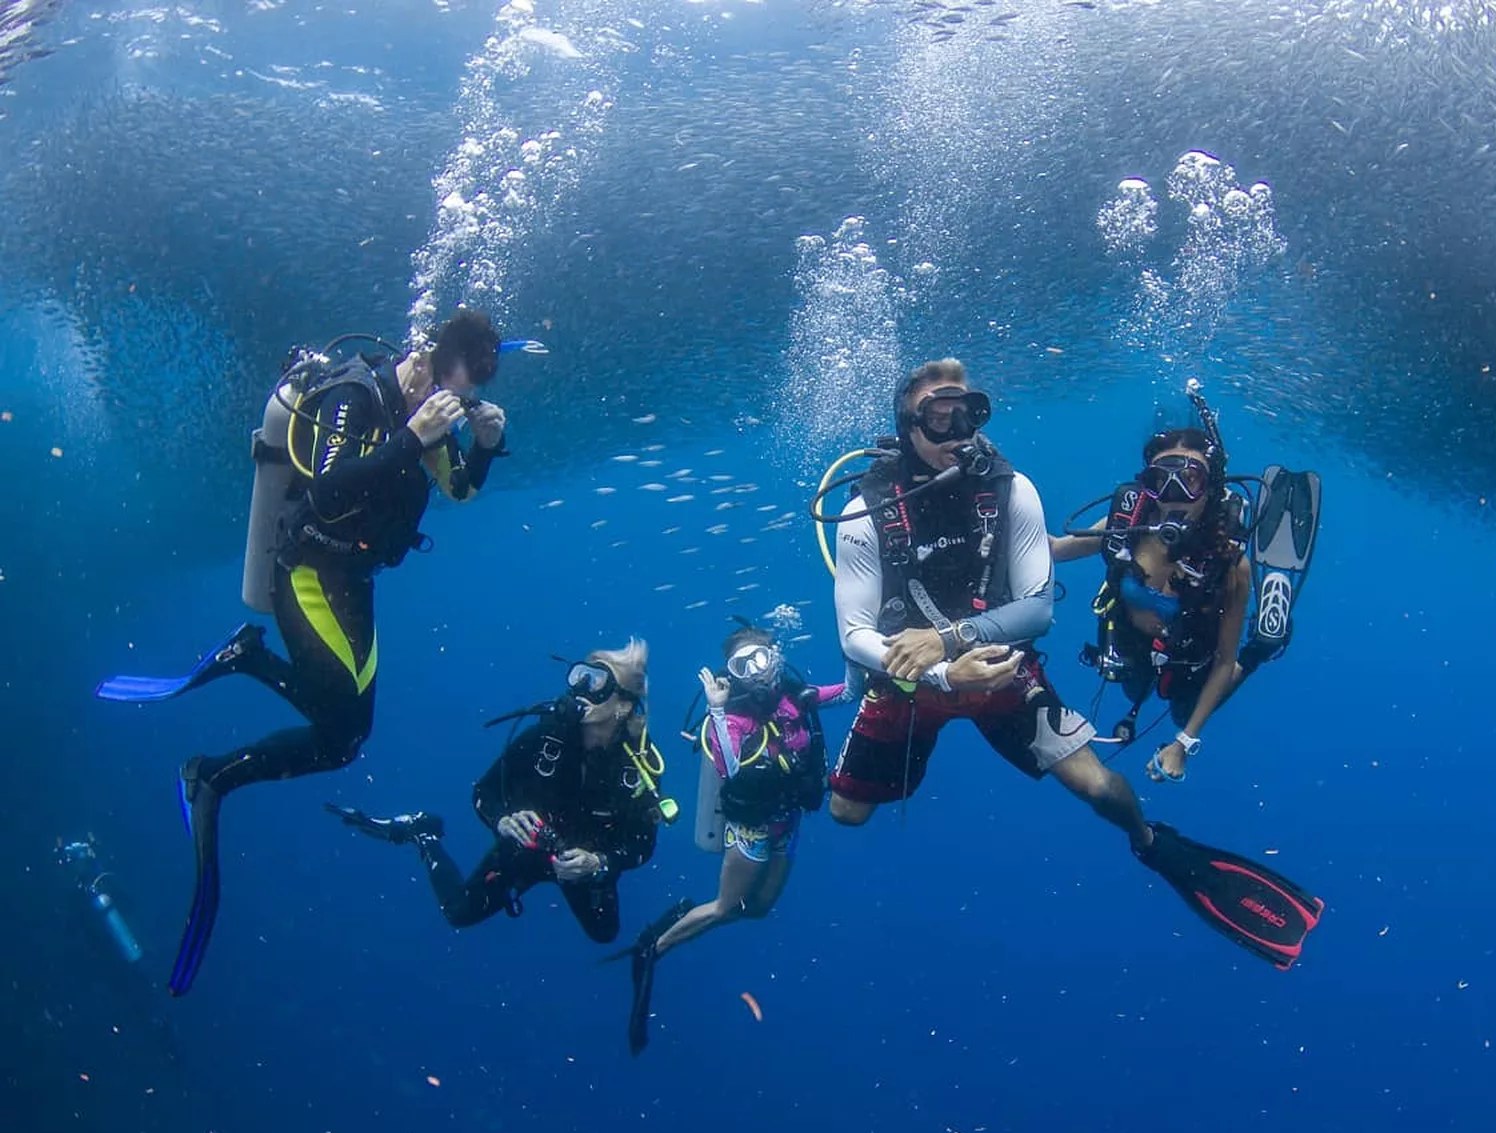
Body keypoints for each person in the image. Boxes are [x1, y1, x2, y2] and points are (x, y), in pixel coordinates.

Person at [816, 358, 1323, 970]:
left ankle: (1150, 842)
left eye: (970, 414)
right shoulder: (863, 509)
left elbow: (1035, 613)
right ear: (907, 427)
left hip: (1002, 668)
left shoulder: (1011, 489)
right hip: (909, 678)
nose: (959, 434)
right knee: (846, 813)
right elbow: (854, 634)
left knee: (1099, 786)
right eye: (939, 418)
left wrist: (952, 640)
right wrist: (945, 670)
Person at [95, 309, 509, 995]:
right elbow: (326, 487)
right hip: (308, 573)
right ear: (424, 361)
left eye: (460, 398)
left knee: (348, 739)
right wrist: (413, 434)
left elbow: (460, 487)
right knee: (339, 719)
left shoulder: (430, 410)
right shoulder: (357, 395)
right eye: (445, 390)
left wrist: (485, 444)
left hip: (356, 581)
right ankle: (214, 772)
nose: (445, 406)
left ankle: (244, 674)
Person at [1049, 387, 1320, 783]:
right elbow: (1055, 550)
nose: (1175, 496)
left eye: (1190, 480)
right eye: (1161, 480)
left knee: (1181, 710)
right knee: (1132, 690)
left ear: (1210, 488)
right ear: (1147, 485)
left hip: (1192, 654)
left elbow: (1224, 661)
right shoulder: (1127, 527)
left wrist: (1183, 743)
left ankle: (1263, 644)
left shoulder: (1230, 564)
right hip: (1131, 647)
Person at [328, 641, 673, 943]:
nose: (582, 690)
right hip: (526, 847)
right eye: (582, 676)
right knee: (459, 912)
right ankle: (424, 834)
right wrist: (503, 821)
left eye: (598, 684)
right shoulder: (544, 738)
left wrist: (598, 863)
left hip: (582, 863)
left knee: (604, 933)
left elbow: (643, 844)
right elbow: (483, 792)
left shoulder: (639, 766)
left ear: (623, 706)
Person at [617, 623, 850, 1054]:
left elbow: (848, 692)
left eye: (762, 657)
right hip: (752, 830)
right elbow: (729, 767)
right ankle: (653, 948)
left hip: (788, 823)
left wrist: (869, 661)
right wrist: (719, 710)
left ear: (776, 656)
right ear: (734, 672)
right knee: (726, 907)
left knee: (757, 909)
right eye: (744, 664)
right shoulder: (734, 717)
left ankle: (684, 918)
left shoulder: (796, 698)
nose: (757, 671)